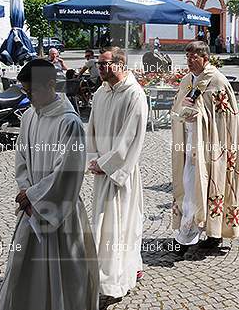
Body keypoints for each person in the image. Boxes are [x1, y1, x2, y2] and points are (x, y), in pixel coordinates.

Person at [0, 59, 99, 310]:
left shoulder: (69, 122)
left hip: (59, 214)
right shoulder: (30, 115)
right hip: (31, 209)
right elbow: (21, 158)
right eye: (26, 91)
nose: (29, 97)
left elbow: (69, 171)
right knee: (26, 274)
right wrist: (25, 190)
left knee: (63, 278)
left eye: (33, 91)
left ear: (51, 84)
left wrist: (34, 196)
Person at [86, 47, 148, 306]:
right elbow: (90, 127)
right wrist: (93, 158)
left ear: (120, 64)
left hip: (120, 174)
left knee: (119, 226)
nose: (98, 68)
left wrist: (108, 164)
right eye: (97, 64)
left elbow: (131, 137)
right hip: (102, 171)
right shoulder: (101, 92)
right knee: (102, 227)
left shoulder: (134, 94)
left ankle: (114, 281)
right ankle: (102, 276)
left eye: (103, 64)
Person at [170, 41, 239, 253]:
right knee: (189, 186)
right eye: (187, 58)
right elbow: (178, 105)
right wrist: (182, 114)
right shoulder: (187, 80)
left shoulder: (218, 81)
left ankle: (186, 238)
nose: (190, 62)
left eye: (194, 57)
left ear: (205, 58)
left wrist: (201, 117)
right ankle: (209, 233)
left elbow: (227, 119)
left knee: (202, 188)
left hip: (211, 147)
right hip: (188, 143)